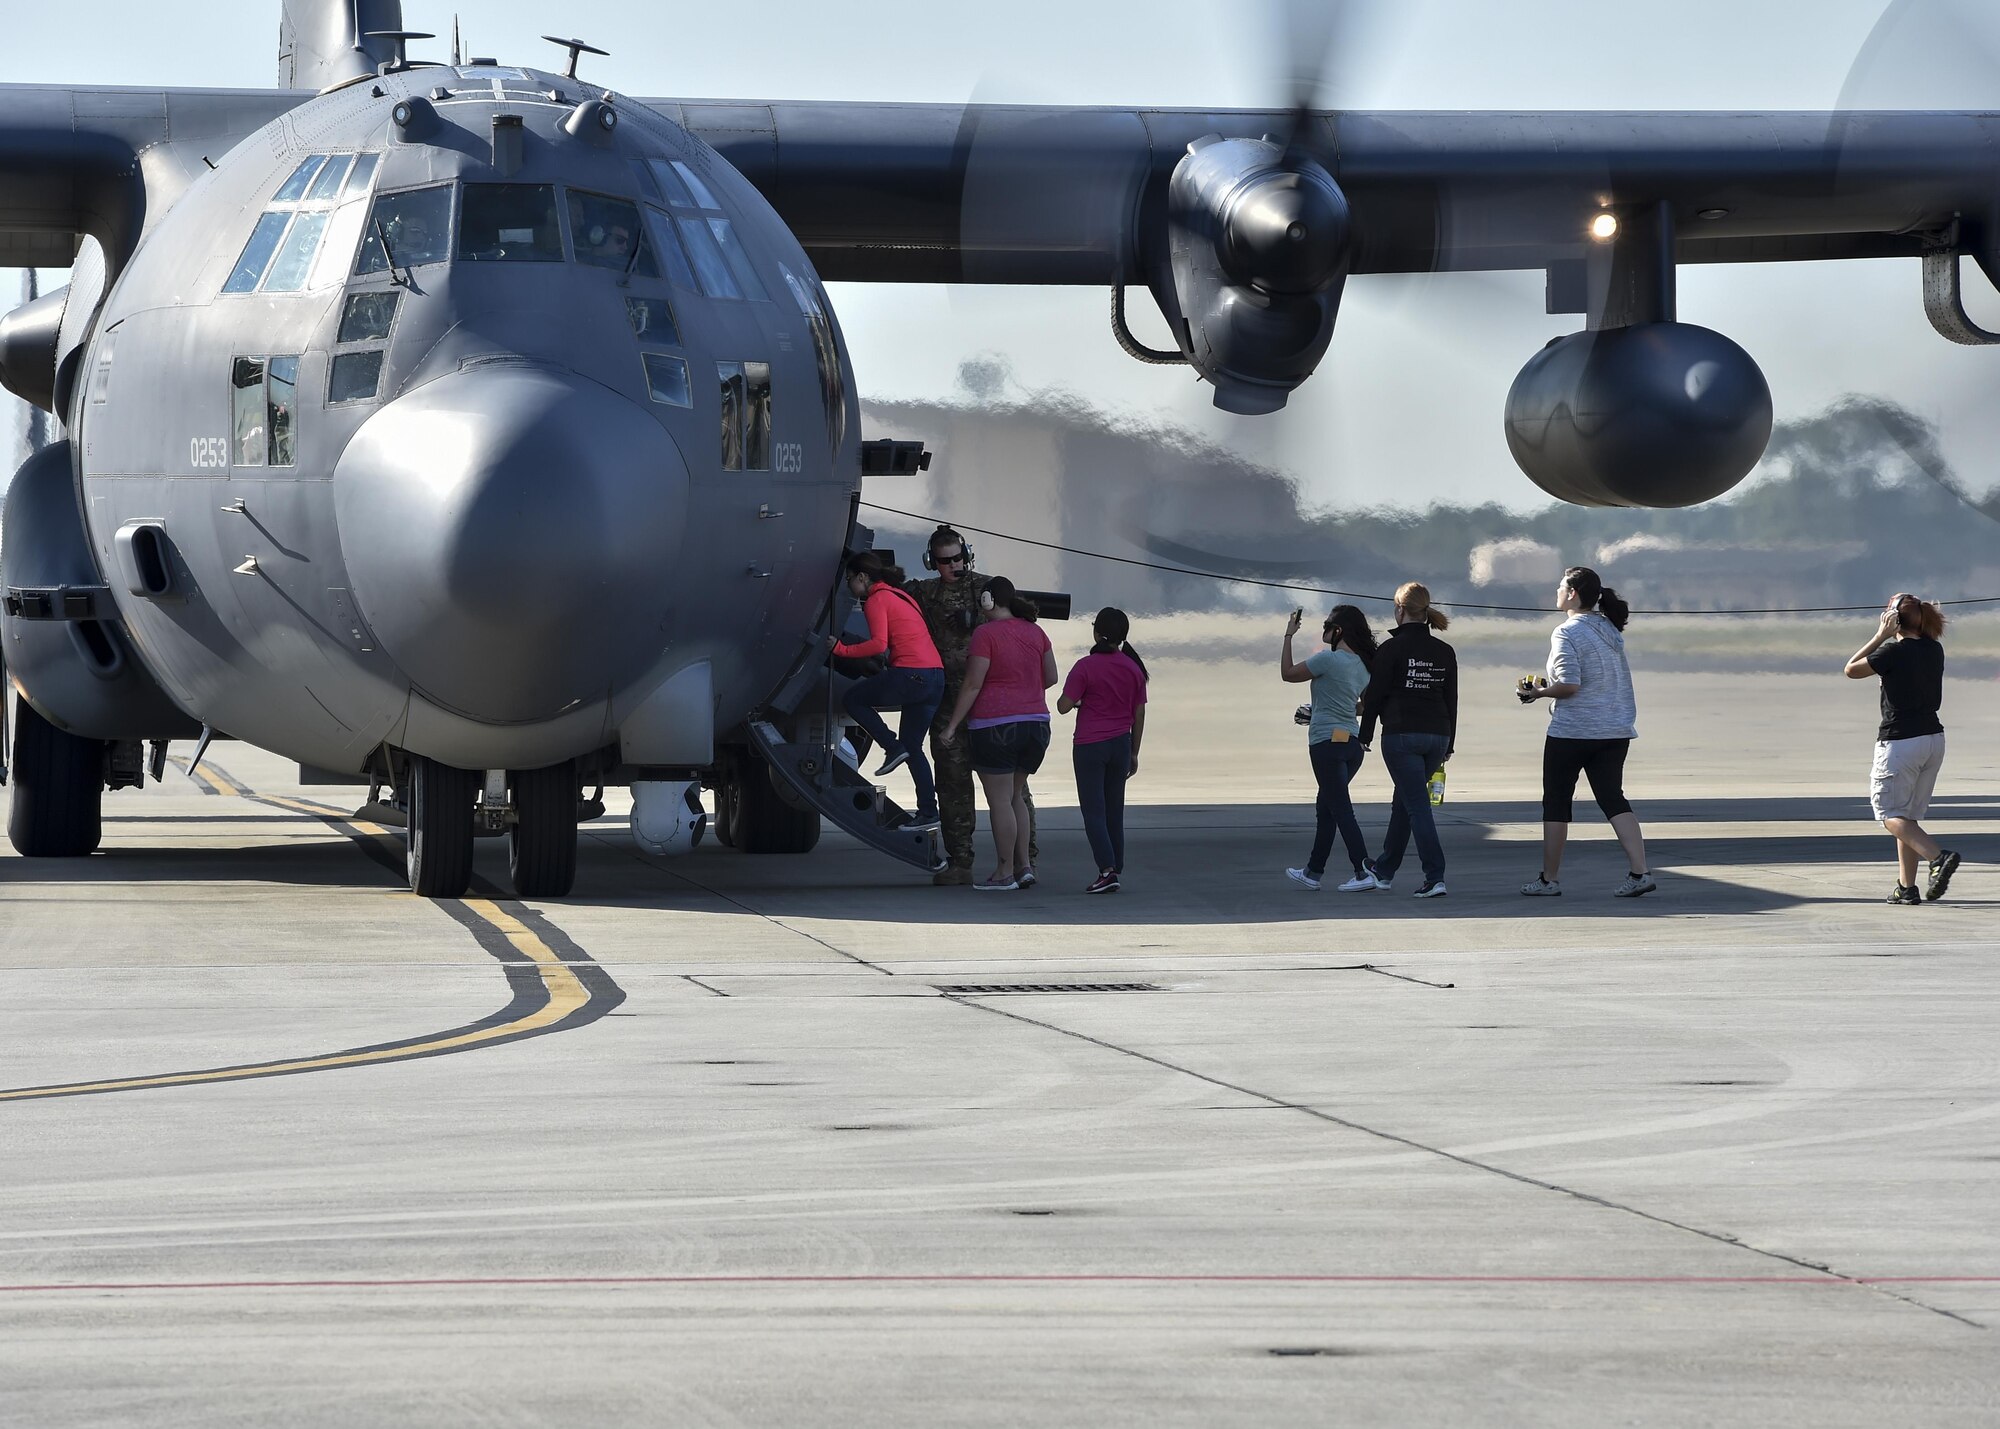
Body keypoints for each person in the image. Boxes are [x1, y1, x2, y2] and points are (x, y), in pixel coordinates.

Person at [909, 524, 1038, 885]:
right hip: (947, 699)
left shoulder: (989, 589)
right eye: (945, 561)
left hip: (990, 700)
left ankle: (1024, 860)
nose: (954, 566)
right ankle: (960, 861)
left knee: (1011, 787)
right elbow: (895, 599)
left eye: (958, 558)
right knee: (951, 783)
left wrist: (976, 617)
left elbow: (1020, 621)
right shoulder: (926, 592)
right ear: (932, 562)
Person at [1518, 567, 1656, 898]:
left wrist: (1537, 693)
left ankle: (1549, 879)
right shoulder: (1608, 628)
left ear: (1573, 594)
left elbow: (1569, 684)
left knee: (1556, 803)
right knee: (1612, 798)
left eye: (1560, 586)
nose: (1556, 591)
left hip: (1574, 731)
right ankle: (1640, 872)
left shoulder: (1566, 632)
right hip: (1615, 729)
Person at [940, 578, 1057, 891]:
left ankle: (1004, 872)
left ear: (988, 600)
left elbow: (973, 684)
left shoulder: (985, 633)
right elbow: (1051, 677)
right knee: (1015, 794)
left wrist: (951, 725)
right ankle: (1024, 867)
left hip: (995, 727)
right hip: (1036, 726)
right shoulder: (1037, 632)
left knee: (1000, 801)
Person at [1844, 592, 1958, 904]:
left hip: (1901, 742)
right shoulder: (1934, 649)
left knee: (1889, 815)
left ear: (1893, 618)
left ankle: (1938, 858)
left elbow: (1851, 669)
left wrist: (1879, 634)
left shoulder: (1892, 652)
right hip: (1932, 740)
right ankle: (1906, 887)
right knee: (1906, 818)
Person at [1358, 582, 1457, 899]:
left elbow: (1375, 696)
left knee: (1417, 807)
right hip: (1437, 736)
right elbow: (1451, 699)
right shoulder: (1444, 651)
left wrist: (1365, 734)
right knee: (1405, 803)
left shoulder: (1391, 649)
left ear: (1400, 609)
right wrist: (1450, 741)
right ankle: (1384, 870)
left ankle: (1435, 876)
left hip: (1402, 736)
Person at [832, 552, 944, 831]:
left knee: (853, 699)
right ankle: (928, 812)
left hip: (911, 674)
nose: (848, 586)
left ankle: (891, 746)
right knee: (914, 746)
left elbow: (878, 644)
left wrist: (840, 649)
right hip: (935, 678)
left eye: (849, 580)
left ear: (862, 577)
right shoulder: (900, 595)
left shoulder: (876, 599)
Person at [1280, 604, 1377, 891]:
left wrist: (1288, 636)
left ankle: (1364, 869)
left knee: (1341, 808)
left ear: (1339, 631)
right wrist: (1324, 708)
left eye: (1327, 626)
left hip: (1326, 743)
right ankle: (1313, 872)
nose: (1323, 631)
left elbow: (1288, 673)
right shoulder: (1364, 665)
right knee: (1327, 807)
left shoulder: (1328, 659)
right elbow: (1363, 707)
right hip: (1352, 744)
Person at [1058, 608, 1148, 894]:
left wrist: (1080, 702)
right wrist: (1134, 752)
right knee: (1114, 811)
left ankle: (1107, 870)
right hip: (1121, 744)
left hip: (1090, 746)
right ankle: (1115, 866)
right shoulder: (1133, 669)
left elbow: (1062, 705)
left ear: (1097, 633)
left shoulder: (1085, 667)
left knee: (1093, 811)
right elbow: (1139, 713)